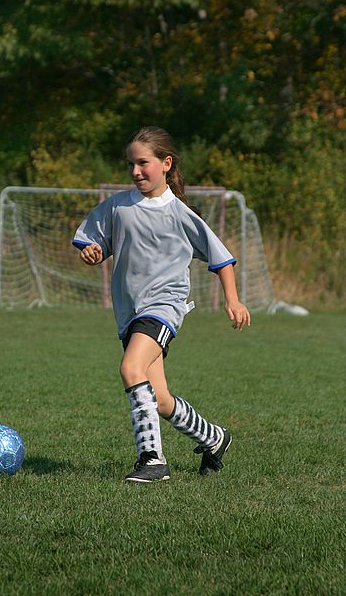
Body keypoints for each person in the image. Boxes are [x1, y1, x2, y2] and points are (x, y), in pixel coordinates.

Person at [73, 126, 250, 482]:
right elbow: (93, 243)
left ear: (166, 163)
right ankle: (214, 438)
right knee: (161, 399)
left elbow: (222, 259)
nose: (136, 171)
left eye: (144, 163)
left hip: (164, 306)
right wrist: (92, 252)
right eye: (131, 164)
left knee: (130, 368)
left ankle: (152, 459)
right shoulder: (117, 206)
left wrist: (232, 299)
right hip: (130, 311)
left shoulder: (180, 214)